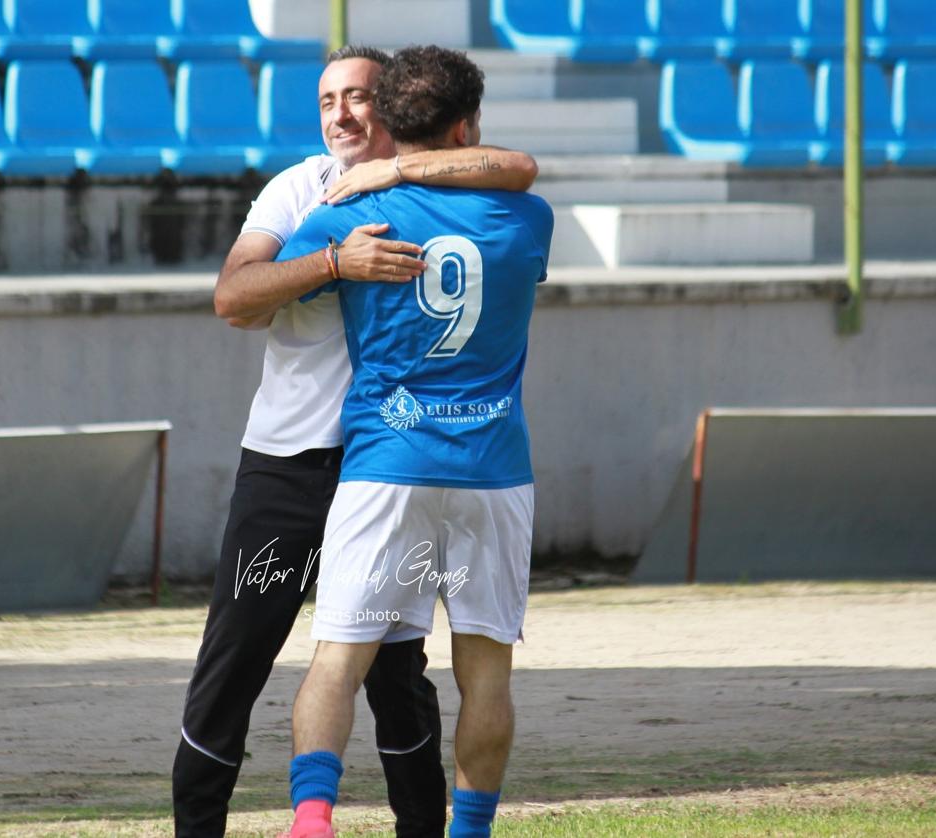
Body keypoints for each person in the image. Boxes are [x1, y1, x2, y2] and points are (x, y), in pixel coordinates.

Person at [172, 45, 540, 838]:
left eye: (359, 97)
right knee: (236, 661)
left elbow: (515, 163)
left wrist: (399, 177)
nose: (341, 113)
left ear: (396, 111)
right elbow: (234, 297)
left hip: (380, 463)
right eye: (327, 99)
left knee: (399, 682)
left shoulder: (444, 183)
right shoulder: (302, 190)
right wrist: (336, 260)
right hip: (293, 470)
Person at [274, 46, 554, 838]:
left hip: (384, 464)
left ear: (389, 127)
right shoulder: (528, 219)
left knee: (338, 655)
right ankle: (468, 833)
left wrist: (381, 189)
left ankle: (313, 819)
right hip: (494, 470)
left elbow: (254, 297)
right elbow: (516, 173)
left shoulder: (344, 216)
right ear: (467, 125)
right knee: (486, 670)